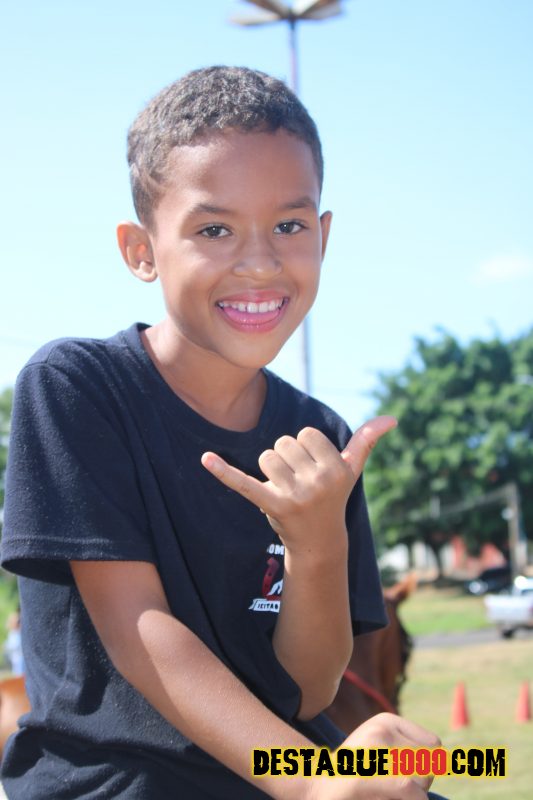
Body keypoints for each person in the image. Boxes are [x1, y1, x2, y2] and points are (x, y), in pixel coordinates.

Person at [0, 66, 439, 799]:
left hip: (286, 775)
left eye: (289, 226)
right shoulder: (77, 386)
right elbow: (141, 631)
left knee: (455, 771)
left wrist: (316, 545)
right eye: (214, 229)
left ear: (323, 236)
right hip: (118, 784)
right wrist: (310, 781)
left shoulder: (321, 436)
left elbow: (306, 691)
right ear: (141, 250)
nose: (260, 261)